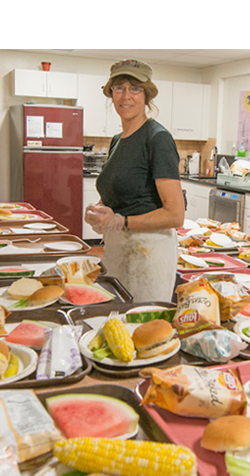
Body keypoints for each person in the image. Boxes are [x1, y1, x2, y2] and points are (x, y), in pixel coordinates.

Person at [82, 59, 184, 302]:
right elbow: (119, 194)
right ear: (111, 93)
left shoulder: (157, 139)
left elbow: (175, 215)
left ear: (146, 95)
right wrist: (100, 212)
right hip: (118, 249)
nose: (126, 95)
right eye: (119, 88)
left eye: (135, 88)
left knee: (140, 328)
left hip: (148, 254)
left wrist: (120, 221)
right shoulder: (117, 140)